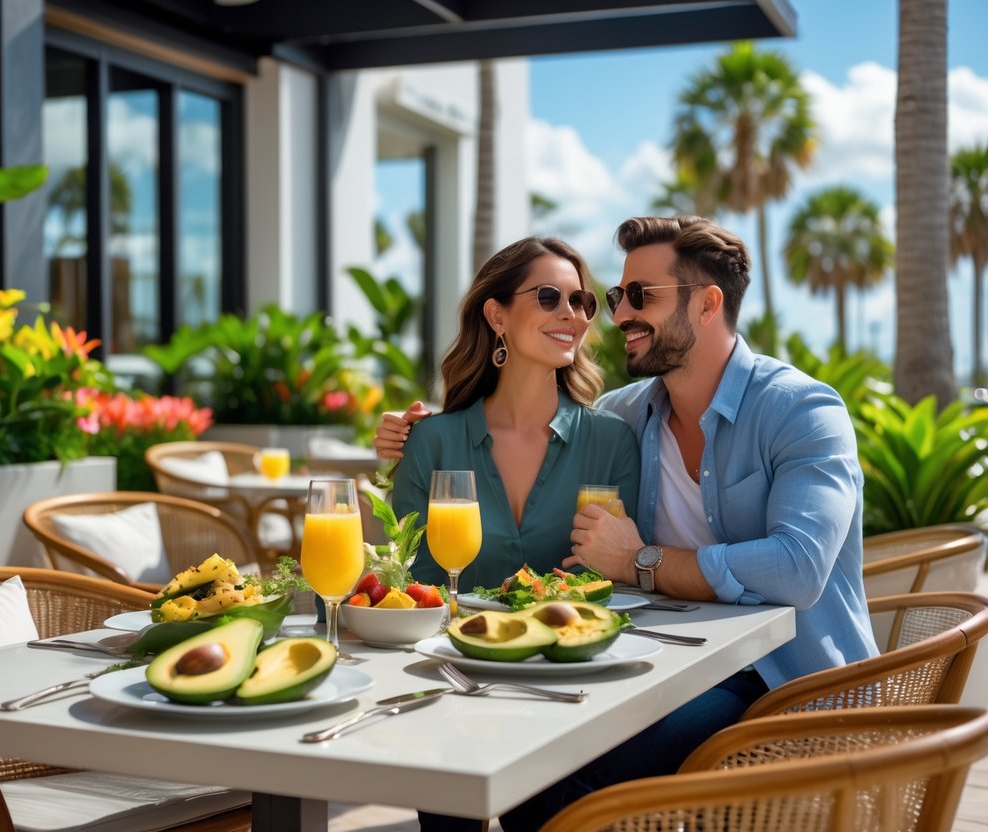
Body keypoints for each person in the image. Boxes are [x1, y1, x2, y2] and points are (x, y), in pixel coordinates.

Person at [376, 216, 877, 830]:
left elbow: (797, 570)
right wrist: (410, 438)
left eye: (640, 297)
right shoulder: (627, 418)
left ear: (707, 304)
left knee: (555, 776)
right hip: (668, 665)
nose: (616, 316)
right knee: (509, 748)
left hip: (784, 681)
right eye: (614, 298)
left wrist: (644, 562)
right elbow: (535, 421)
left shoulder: (802, 410)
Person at [390, 237, 639, 597]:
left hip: (578, 648)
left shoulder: (612, 443)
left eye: (580, 301)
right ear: (497, 315)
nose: (571, 314)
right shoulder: (432, 442)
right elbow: (410, 586)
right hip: (451, 649)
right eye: (549, 296)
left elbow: (617, 583)